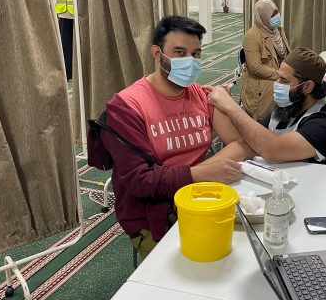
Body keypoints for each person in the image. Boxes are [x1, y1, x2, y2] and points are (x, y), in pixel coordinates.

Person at [102, 16, 253, 259]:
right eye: (179, 52)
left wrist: (200, 174)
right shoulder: (127, 107)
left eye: (196, 54)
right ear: (156, 53)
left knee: (241, 251)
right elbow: (142, 181)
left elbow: (241, 145)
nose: (189, 62)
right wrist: (201, 174)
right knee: (189, 271)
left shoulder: (200, 94)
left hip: (200, 195)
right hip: (154, 212)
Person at [206, 48, 326, 166]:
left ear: (308, 86)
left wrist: (230, 107)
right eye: (278, 78)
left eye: (284, 80)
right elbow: (252, 141)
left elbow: (272, 148)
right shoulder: (285, 109)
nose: (277, 84)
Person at [241, 0, 291, 121]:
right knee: (289, 89)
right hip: (263, 79)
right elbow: (256, 67)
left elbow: (286, 54)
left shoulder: (278, 30)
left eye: (276, 12)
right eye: (272, 15)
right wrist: (280, 75)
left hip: (281, 72)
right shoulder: (251, 36)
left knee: (303, 83)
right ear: (263, 16)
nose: (277, 17)